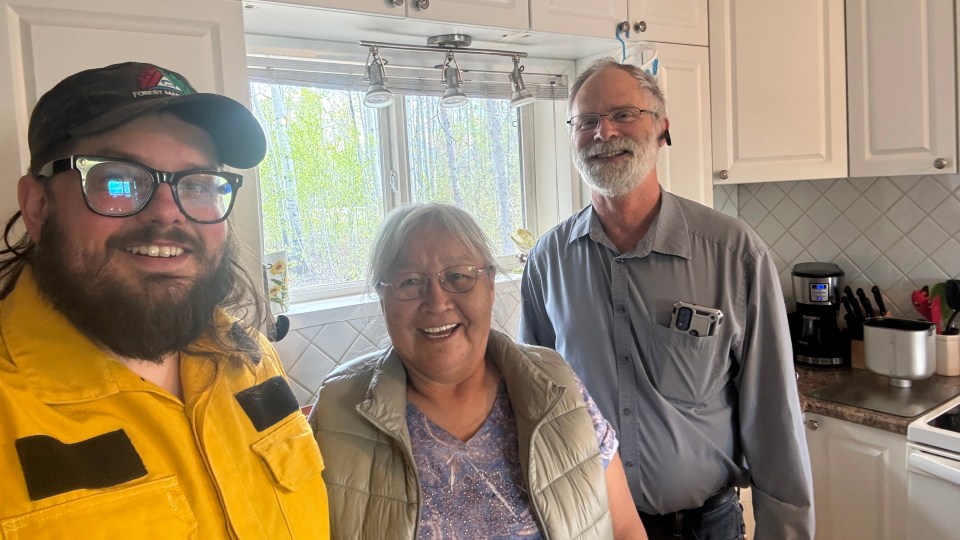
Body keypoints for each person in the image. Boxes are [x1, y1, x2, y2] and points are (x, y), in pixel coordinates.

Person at [0, 62, 329, 538]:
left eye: (196, 184)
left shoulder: (250, 358)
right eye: (118, 180)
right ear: (37, 206)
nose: (167, 215)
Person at [519, 58, 814, 539]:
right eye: (587, 121)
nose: (603, 132)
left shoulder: (732, 253)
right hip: (592, 525)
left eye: (623, 114)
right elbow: (538, 409)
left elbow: (774, 419)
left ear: (662, 130)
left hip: (701, 527)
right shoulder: (548, 260)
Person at [310, 203, 647, 539]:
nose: (437, 301)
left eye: (458, 276)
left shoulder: (556, 384)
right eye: (410, 282)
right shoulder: (338, 410)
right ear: (384, 299)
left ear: (490, 285)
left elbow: (626, 530)